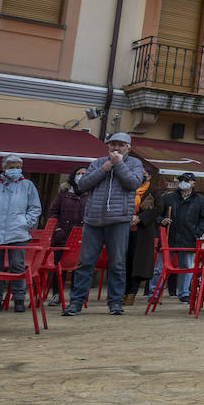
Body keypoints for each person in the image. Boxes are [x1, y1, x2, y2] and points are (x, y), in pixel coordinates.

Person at [65, 133, 144, 316]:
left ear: (128, 148)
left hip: (119, 220)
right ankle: (76, 302)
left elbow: (133, 183)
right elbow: (83, 185)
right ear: (107, 146)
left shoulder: (134, 164)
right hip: (93, 220)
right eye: (113, 144)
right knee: (85, 263)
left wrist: (118, 164)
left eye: (121, 145)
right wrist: (104, 168)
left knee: (117, 263)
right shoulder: (97, 163)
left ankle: (115, 302)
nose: (116, 148)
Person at [0, 153, 41, 313]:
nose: (15, 170)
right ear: (4, 168)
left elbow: (35, 208)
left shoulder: (28, 186)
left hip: (18, 233)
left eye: (18, 167)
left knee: (17, 265)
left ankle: (19, 299)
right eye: (11, 167)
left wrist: (26, 223)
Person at [159, 172, 204, 303]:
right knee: (160, 267)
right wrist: (162, 220)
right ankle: (155, 292)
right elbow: (158, 214)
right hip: (169, 236)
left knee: (186, 267)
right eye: (181, 180)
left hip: (188, 237)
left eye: (186, 180)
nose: (183, 182)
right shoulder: (169, 198)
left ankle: (184, 293)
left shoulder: (200, 200)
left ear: (193, 183)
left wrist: (197, 232)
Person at [126, 190, 159, 305]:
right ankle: (120, 292)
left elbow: (158, 209)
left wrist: (139, 218)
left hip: (142, 233)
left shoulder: (154, 192)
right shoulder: (126, 188)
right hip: (124, 229)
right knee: (123, 262)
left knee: (137, 264)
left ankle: (131, 293)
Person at [45, 168, 87, 251]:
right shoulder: (63, 193)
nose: (80, 176)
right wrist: (57, 229)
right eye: (78, 174)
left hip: (84, 237)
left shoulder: (94, 194)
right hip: (62, 236)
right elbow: (53, 212)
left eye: (83, 174)